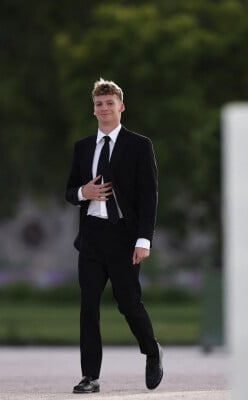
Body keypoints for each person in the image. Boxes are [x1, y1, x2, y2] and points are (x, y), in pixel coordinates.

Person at [65, 78, 163, 394]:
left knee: (128, 303)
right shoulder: (82, 148)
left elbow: (149, 196)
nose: (104, 109)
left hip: (124, 238)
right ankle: (89, 376)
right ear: (93, 110)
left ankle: (152, 351)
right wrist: (84, 191)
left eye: (109, 103)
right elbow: (69, 192)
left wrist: (143, 240)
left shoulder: (139, 145)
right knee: (88, 306)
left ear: (121, 107)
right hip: (92, 237)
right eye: (98, 104)